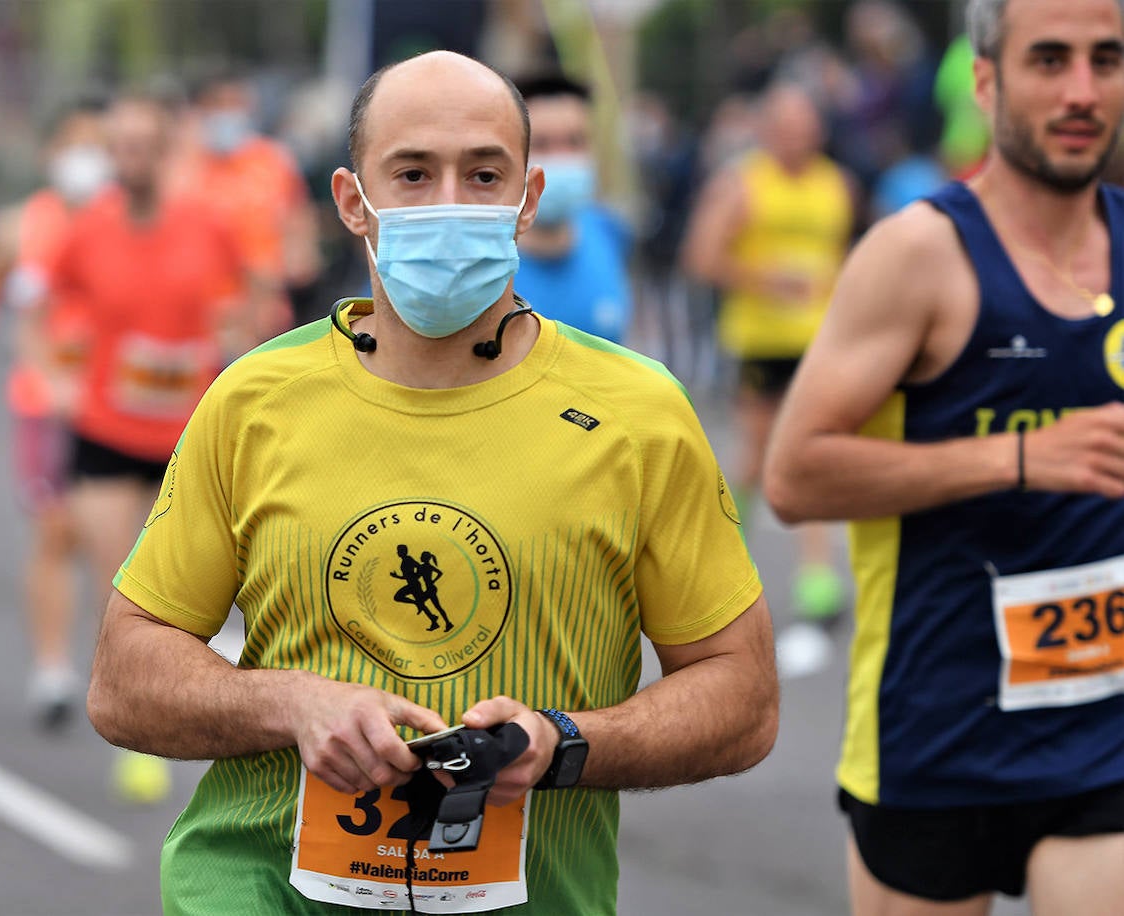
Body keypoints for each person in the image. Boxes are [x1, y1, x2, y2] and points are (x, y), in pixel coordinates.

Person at [86, 51, 778, 915]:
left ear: (528, 198)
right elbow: (124, 679)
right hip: (254, 890)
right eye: (412, 173)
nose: (448, 200)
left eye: (482, 174)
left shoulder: (638, 413)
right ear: (351, 202)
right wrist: (291, 705)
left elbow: (742, 696)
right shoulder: (255, 399)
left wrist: (563, 744)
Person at [763, 0, 1124, 912]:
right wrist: (1016, 459)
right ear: (986, 77)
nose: (1082, 91)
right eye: (1050, 60)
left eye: (1106, 59)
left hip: (1102, 733)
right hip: (936, 731)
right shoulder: (919, 253)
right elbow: (795, 475)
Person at [19, 89, 258, 802]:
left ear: (165, 150)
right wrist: (51, 379)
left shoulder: (206, 226)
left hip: (187, 433)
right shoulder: (88, 230)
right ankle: (139, 742)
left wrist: (235, 352)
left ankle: (214, 697)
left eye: (141, 145)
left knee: (202, 584)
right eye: (117, 145)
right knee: (119, 577)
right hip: (105, 429)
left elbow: (254, 293)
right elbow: (35, 306)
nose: (128, 158)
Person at [0, 92, 111, 730]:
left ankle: (122, 672)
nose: (89, 159)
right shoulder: (18, 225)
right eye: (77, 145)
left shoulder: (132, 226)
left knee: (116, 542)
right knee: (54, 531)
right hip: (45, 403)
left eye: (101, 145)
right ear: (51, 153)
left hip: (117, 410)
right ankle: (51, 669)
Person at [683, 82, 855, 635]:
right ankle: (726, 566)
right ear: (766, 130)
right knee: (758, 456)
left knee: (818, 452)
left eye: (804, 124)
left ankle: (818, 580)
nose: (795, 135)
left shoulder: (837, 184)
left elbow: (844, 255)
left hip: (819, 341)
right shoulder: (742, 183)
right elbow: (701, 257)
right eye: (784, 125)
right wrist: (766, 279)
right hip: (760, 341)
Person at [170, 67, 321, 338]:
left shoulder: (273, 162)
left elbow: (299, 228)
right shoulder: (181, 170)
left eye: (236, 103)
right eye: (218, 104)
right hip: (201, 317)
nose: (229, 113)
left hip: (265, 315)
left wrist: (293, 265)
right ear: (199, 110)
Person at [510, 72, 634, 344]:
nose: (562, 157)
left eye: (575, 141)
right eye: (541, 144)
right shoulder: (488, 262)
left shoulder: (609, 230)